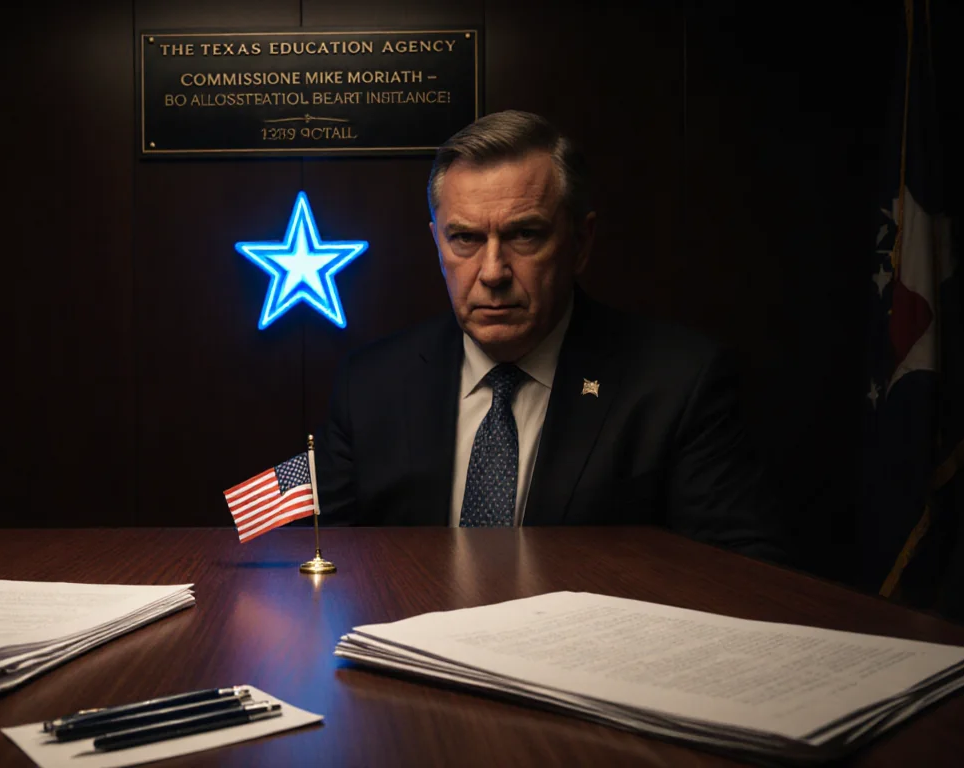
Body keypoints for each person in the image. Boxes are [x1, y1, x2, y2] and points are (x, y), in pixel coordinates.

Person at [313, 110, 785, 562]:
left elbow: (741, 576)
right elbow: (313, 553)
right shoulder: (370, 384)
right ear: (438, 242)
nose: (493, 272)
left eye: (524, 235)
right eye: (466, 239)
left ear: (580, 242)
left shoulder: (678, 384)